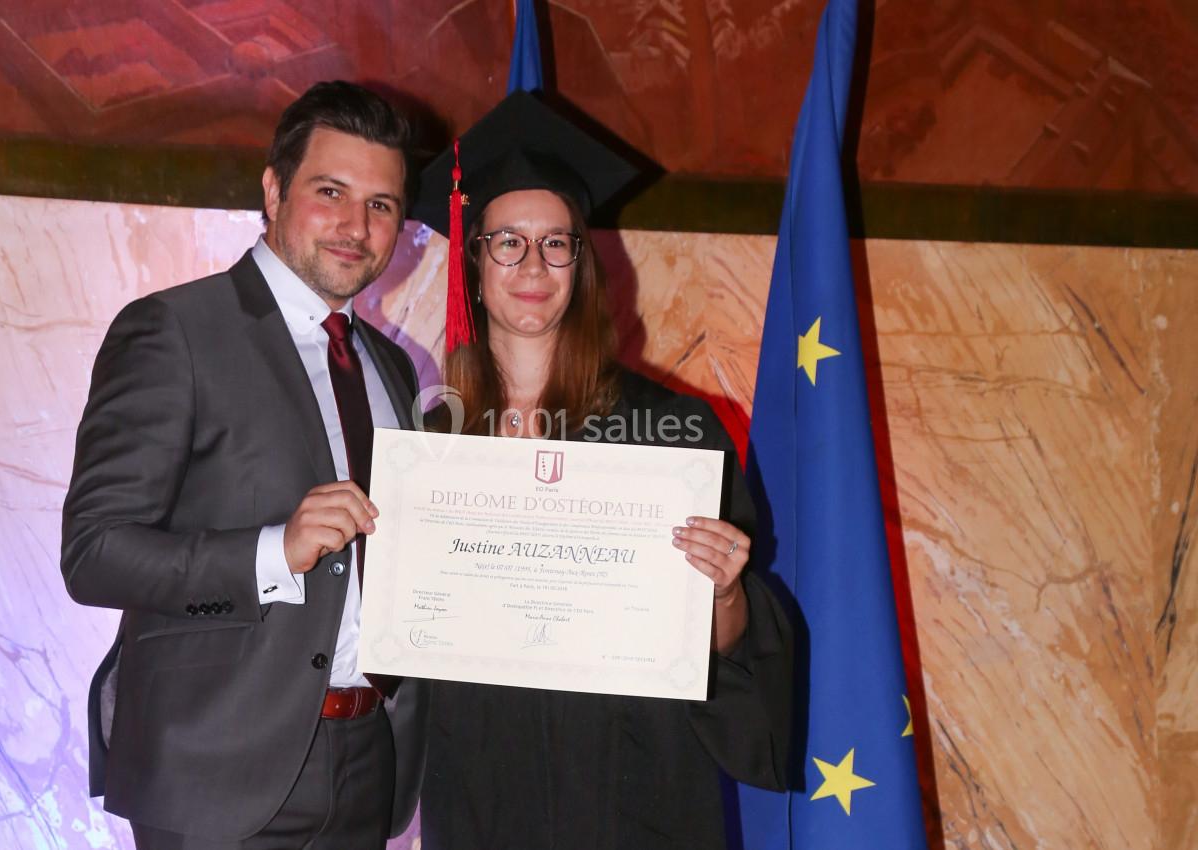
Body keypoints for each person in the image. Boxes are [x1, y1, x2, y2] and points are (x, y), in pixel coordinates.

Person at [409, 91, 794, 849]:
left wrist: (725, 593)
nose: (533, 264)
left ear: (580, 264)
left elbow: (732, 646)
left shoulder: (672, 435)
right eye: (507, 242)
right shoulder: (431, 445)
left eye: (556, 243)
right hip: (484, 792)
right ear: (473, 262)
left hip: (639, 793)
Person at [61, 81, 426, 849]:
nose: (356, 226)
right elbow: (94, 554)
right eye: (331, 192)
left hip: (367, 760)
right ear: (273, 189)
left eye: (382, 204)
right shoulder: (176, 331)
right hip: (215, 773)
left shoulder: (390, 367)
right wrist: (272, 552)